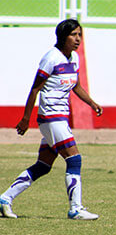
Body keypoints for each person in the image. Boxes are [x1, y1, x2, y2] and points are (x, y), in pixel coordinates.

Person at [0, 19, 103, 220]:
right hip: (51, 117)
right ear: (63, 36)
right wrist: (25, 119)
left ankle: (5, 199)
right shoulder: (51, 58)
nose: (78, 39)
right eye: (74, 35)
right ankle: (76, 208)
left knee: (43, 166)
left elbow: (76, 86)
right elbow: (35, 89)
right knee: (74, 159)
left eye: (80, 35)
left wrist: (92, 103)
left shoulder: (74, 58)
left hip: (60, 119)